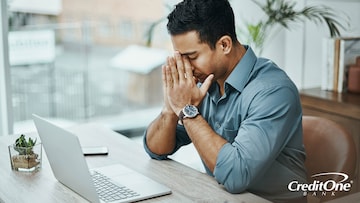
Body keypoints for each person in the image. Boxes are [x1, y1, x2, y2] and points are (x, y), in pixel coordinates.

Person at [143, 0, 307, 202]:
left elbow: (236, 175)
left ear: (224, 44)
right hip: (219, 196)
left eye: (192, 56)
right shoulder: (205, 81)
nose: (185, 66)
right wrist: (171, 107)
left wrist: (187, 111)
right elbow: (157, 149)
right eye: (180, 57)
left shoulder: (273, 92)